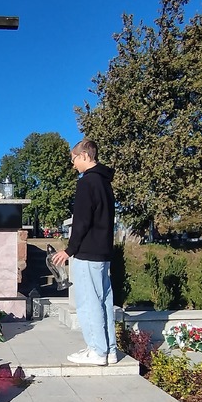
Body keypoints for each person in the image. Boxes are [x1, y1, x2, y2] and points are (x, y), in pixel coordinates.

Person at [52, 138, 118, 366]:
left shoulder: (87, 183)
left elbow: (82, 220)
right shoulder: (105, 183)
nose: (73, 165)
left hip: (87, 253)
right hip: (103, 252)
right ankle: (109, 350)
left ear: (85, 156)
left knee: (88, 303)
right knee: (103, 302)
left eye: (74, 159)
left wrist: (69, 250)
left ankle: (97, 351)